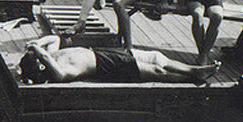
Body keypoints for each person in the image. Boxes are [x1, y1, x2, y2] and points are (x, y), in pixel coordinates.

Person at [20, 35, 220, 85]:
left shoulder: (52, 56)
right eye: (38, 59)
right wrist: (37, 49)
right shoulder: (57, 72)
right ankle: (192, 78)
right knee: (157, 72)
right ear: (39, 65)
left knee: (157, 57)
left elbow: (53, 39)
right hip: (107, 67)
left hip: (106, 53)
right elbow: (44, 54)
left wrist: (37, 41)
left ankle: (194, 69)